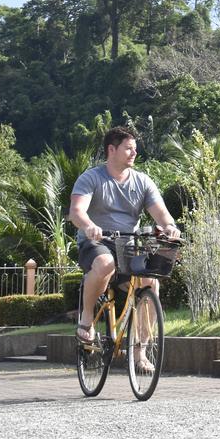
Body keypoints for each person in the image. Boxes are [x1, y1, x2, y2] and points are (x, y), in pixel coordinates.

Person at [69, 126, 179, 360]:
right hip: (97, 241)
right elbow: (77, 211)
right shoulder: (91, 178)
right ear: (112, 149)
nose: (134, 153)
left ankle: (140, 352)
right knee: (105, 263)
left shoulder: (142, 182)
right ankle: (87, 318)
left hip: (129, 244)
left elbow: (161, 214)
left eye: (135, 149)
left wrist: (170, 227)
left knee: (151, 282)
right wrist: (89, 226)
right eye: (128, 148)